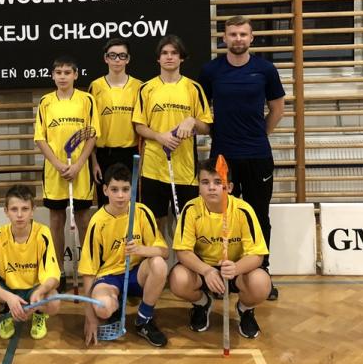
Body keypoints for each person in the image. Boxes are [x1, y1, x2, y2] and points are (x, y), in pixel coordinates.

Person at [198, 16, 285, 299]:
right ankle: (221, 276)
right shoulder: (211, 71)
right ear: (224, 38)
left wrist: (259, 135)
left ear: (251, 38)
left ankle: (261, 273)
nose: (238, 39)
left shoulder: (265, 70)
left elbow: (277, 109)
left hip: (258, 155)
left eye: (243, 34)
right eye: (233, 34)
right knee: (221, 216)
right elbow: (201, 112)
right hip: (223, 158)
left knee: (258, 216)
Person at [169, 158, 271, 339]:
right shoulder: (191, 209)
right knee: (178, 279)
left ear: (229, 187)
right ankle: (202, 303)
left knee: (261, 283)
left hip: (235, 269)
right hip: (203, 269)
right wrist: (206, 270)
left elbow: (257, 255)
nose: (211, 187)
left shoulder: (243, 210)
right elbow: (183, 251)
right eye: (205, 182)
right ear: (198, 187)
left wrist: (236, 268)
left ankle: (245, 309)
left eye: (218, 182)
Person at [81, 163, 169, 348]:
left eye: (125, 189)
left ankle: (144, 319)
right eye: (114, 189)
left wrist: (141, 250)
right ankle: (115, 302)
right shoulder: (97, 222)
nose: (120, 195)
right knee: (103, 308)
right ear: (105, 190)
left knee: (159, 264)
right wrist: (90, 319)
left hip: (136, 273)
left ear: (132, 190)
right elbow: (88, 272)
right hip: (109, 277)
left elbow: (164, 251)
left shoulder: (142, 212)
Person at [132, 35, 213, 236]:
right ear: (158, 58)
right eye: (165, 53)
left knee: (186, 225)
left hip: (185, 169)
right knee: (154, 224)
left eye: (174, 53)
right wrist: (159, 137)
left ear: (181, 58)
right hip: (153, 168)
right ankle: (157, 258)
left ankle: (183, 259)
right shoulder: (146, 89)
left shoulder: (193, 88)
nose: (169, 57)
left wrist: (192, 121)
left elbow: (206, 127)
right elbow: (139, 126)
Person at [34, 55, 100, 291]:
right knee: (56, 220)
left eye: (67, 72)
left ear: (75, 75)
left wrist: (79, 164)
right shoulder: (46, 102)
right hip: (55, 172)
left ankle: (88, 270)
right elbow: (40, 137)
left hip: (80, 171)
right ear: (53, 76)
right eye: (58, 73)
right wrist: (57, 164)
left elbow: (92, 135)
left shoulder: (86, 100)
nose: (63, 77)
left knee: (83, 219)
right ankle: (58, 271)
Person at [0, 184, 61, 340]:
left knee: (54, 302)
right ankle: (5, 311)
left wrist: (39, 292)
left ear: (33, 211)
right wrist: (8, 298)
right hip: (7, 289)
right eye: (14, 209)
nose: (19, 215)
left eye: (25, 209)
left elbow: (54, 277)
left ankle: (38, 313)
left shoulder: (43, 233)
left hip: (33, 289)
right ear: (6, 211)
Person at [88, 37, 142, 207]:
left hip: (131, 153)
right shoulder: (95, 87)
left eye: (122, 55)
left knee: (131, 205)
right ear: (106, 58)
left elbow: (143, 126)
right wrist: (94, 161)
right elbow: (91, 129)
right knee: (106, 204)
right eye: (113, 55)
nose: (117, 60)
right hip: (104, 154)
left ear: (128, 59)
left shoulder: (139, 87)